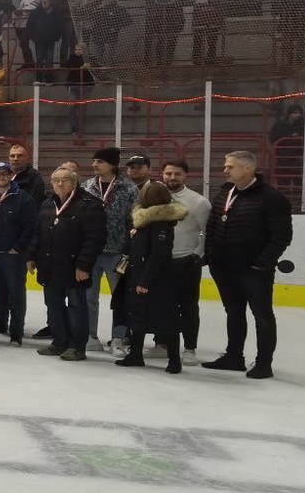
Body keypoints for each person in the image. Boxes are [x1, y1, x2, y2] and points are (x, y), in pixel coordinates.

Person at [203, 150, 292, 380]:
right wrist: (211, 256)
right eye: (225, 166)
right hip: (224, 267)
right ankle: (234, 356)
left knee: (262, 315)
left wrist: (262, 263)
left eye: (230, 166)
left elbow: (281, 236)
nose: (225, 170)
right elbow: (212, 226)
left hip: (254, 270)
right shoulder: (225, 193)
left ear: (248, 168)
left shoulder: (271, 198)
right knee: (233, 312)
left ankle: (264, 363)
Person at [31, 167, 105, 362]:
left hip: (74, 267)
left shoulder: (90, 204)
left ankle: (77, 346)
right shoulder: (47, 203)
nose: (60, 184)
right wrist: (31, 256)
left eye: (65, 180)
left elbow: (94, 239)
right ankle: (60, 341)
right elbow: (38, 233)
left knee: (77, 306)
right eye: (56, 180)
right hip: (49, 265)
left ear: (75, 182)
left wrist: (84, 266)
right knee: (53, 305)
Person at [117, 182, 186, 372]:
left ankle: (174, 360)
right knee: (137, 316)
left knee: (165, 320)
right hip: (137, 275)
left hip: (156, 280)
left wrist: (145, 281)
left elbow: (158, 255)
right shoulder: (143, 221)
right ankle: (135, 354)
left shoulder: (161, 223)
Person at [83, 148, 135, 355]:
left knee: (119, 298)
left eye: (100, 161)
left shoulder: (129, 189)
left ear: (113, 164)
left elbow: (135, 221)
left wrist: (129, 249)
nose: (95, 164)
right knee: (88, 296)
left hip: (117, 252)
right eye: (94, 160)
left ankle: (118, 339)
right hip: (91, 252)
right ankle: (89, 336)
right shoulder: (87, 186)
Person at [0, 162, 36, 344]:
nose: (2, 177)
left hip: (12, 256)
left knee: (16, 295)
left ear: (11, 175)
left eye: (5, 173)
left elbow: (30, 226)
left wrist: (18, 247)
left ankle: (16, 334)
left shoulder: (23, 198)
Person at [160, 159, 210, 362]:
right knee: (163, 305)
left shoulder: (198, 202)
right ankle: (162, 344)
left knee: (188, 306)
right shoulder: (154, 197)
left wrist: (197, 255)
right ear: (162, 175)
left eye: (177, 174)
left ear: (185, 176)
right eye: (168, 173)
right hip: (160, 261)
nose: (172, 177)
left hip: (186, 261)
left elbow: (207, 232)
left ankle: (189, 348)